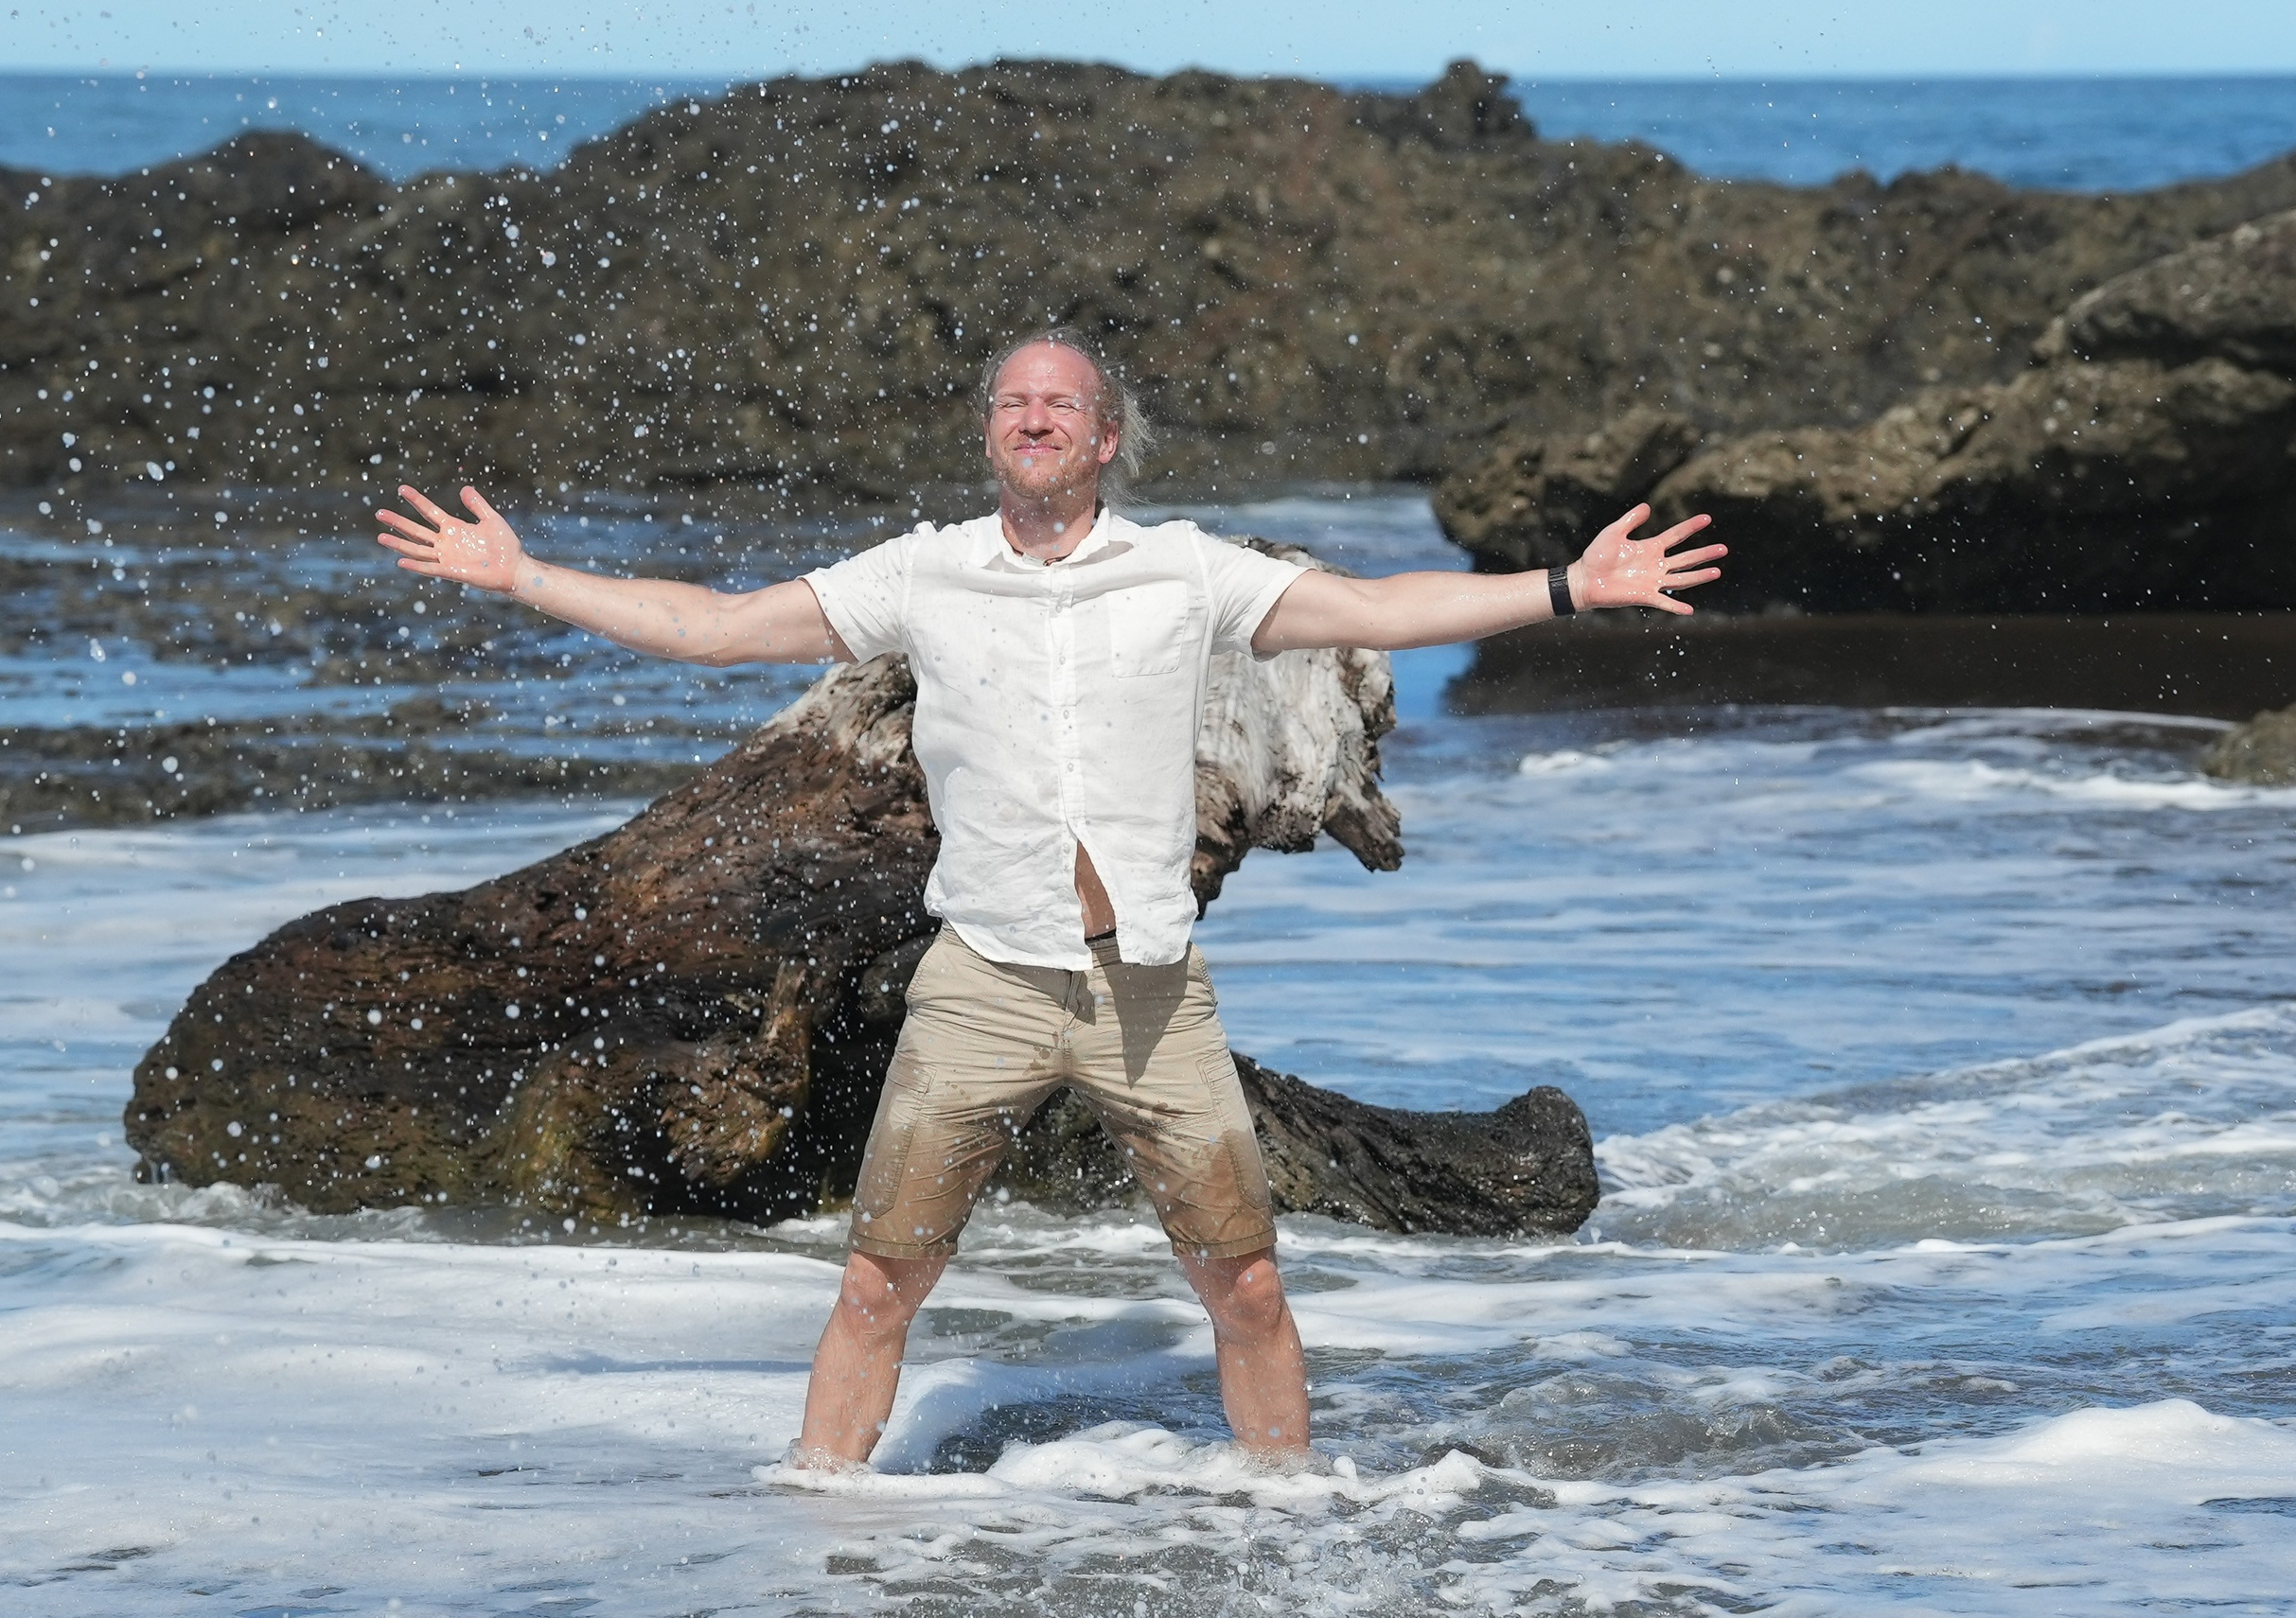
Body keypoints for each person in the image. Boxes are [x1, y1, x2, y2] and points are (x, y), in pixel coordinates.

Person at [373, 326, 1722, 1471]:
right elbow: (717, 624)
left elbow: (1377, 600)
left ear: (1107, 437)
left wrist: (1567, 585)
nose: (1032, 418)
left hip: (1146, 986)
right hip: (982, 982)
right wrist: (524, 575)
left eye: (1059, 403)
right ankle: (817, 1521)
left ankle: (1289, 1522)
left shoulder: (1185, 570)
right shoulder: (923, 574)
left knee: (1245, 1280)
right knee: (877, 1278)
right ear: (991, 438)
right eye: (1013, 402)